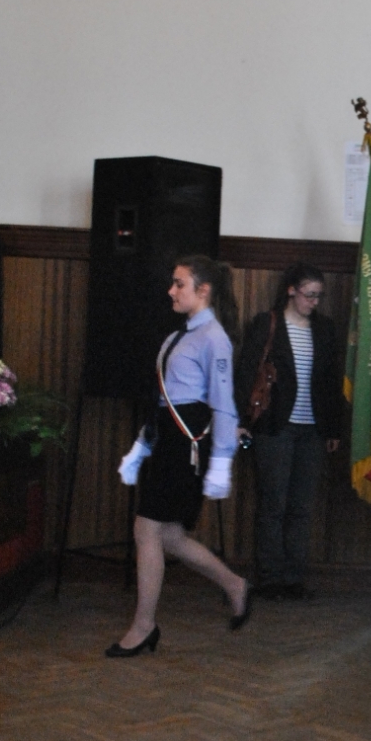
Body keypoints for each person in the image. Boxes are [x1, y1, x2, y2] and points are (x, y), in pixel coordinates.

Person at [108, 254, 249, 656]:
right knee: (167, 535)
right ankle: (235, 585)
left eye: (179, 284)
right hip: (168, 441)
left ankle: (144, 626)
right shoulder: (179, 336)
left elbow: (223, 404)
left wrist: (220, 464)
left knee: (147, 530)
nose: (171, 291)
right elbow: (165, 401)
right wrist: (141, 447)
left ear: (203, 291)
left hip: (188, 446)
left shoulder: (214, 339)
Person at [236, 261, 341, 599]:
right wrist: (240, 421)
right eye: (309, 294)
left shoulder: (324, 329)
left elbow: (331, 381)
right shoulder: (267, 324)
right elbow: (246, 372)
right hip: (274, 426)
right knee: (273, 505)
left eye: (319, 296)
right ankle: (270, 579)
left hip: (313, 429)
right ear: (291, 290)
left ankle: (294, 579)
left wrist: (333, 428)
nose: (314, 302)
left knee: (301, 507)